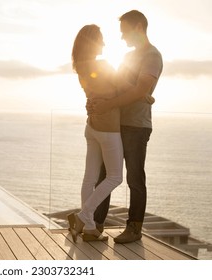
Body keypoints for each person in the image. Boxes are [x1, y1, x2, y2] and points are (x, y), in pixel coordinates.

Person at [91, 10, 163, 244]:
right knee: (105, 176)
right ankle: (96, 224)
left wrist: (110, 103)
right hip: (116, 125)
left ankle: (134, 228)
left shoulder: (152, 55)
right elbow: (117, 85)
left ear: (139, 27)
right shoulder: (128, 57)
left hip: (136, 126)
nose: (122, 38)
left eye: (124, 32)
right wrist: (97, 100)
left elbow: (140, 89)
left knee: (134, 178)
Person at [67, 24, 124, 242]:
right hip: (108, 127)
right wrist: (146, 96)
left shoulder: (80, 66)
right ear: (92, 42)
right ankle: (83, 217)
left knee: (89, 178)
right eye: (101, 39)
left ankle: (90, 229)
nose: (104, 43)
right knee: (115, 177)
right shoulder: (103, 65)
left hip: (91, 126)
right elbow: (123, 87)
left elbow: (99, 93)